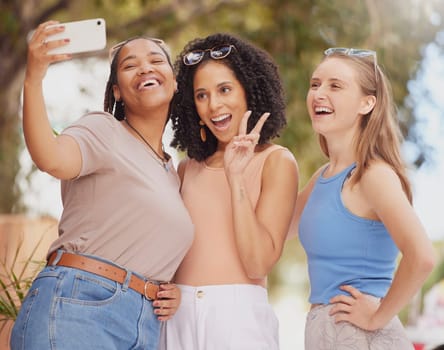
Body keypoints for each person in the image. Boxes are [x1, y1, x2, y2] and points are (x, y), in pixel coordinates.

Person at [10, 21, 194, 350]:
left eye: (155, 60)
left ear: (176, 82)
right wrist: (33, 76)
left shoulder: (171, 172)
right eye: (130, 65)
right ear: (117, 91)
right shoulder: (104, 129)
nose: (144, 68)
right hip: (79, 305)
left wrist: (169, 290)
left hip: (143, 323)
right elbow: (50, 157)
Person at [159, 33, 299, 350]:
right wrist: (166, 288)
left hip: (237, 320)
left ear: (248, 91)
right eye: (202, 95)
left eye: (224, 89)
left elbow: (257, 263)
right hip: (177, 319)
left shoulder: (277, 162)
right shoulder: (187, 169)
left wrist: (236, 178)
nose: (214, 105)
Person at [292, 47, 436, 349]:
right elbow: (272, 232)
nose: (319, 93)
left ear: (367, 103)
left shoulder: (373, 175)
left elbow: (422, 256)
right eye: (315, 84)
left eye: (335, 85)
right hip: (326, 332)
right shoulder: (322, 178)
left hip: (361, 336)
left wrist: (377, 317)